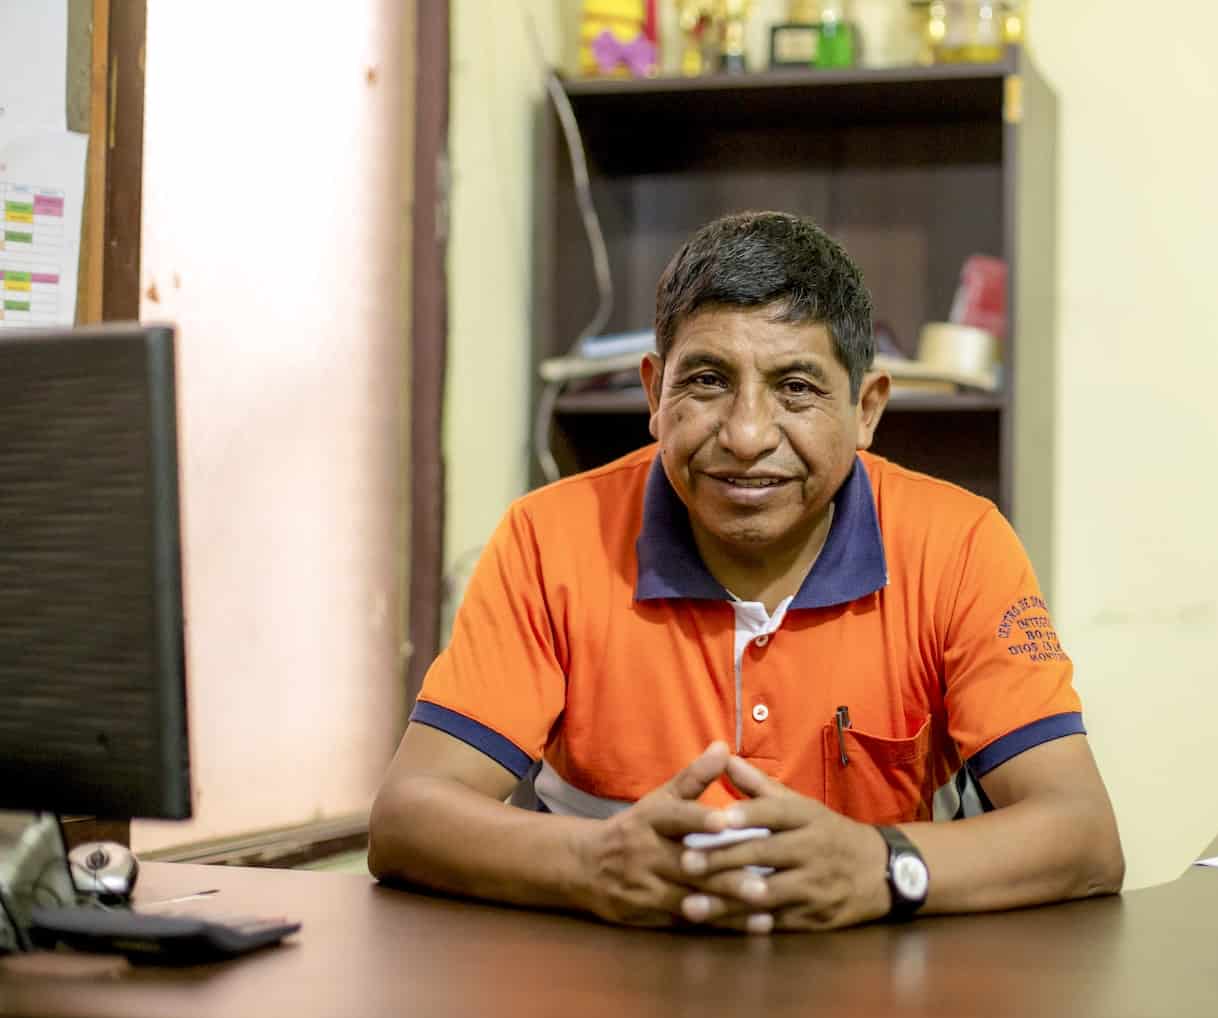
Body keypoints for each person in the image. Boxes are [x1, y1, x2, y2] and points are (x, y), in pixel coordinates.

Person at [367, 211, 1124, 933]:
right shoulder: (548, 539)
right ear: (653, 395)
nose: (747, 434)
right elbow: (408, 816)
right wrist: (593, 862)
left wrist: (881, 865)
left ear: (867, 408)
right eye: (706, 381)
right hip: (604, 993)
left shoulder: (960, 546)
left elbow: (1082, 834)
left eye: (796, 387)